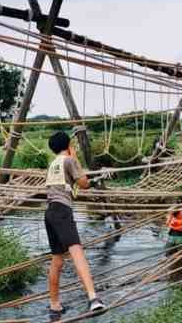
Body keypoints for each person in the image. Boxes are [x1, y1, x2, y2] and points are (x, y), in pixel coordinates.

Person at [45, 130, 106, 318]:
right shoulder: (69, 160)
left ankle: (55, 305)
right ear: (69, 145)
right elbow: (84, 183)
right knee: (77, 252)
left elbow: (70, 187)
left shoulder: (52, 164)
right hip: (63, 212)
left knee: (57, 260)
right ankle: (93, 298)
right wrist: (77, 159)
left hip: (49, 213)